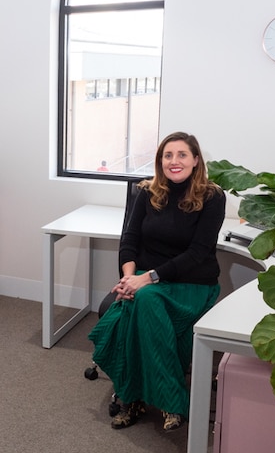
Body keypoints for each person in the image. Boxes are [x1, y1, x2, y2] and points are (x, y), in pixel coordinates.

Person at [88, 132, 225, 432]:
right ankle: (165, 400)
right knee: (142, 302)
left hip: (192, 285)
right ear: (160, 161)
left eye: (181, 155)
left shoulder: (212, 197)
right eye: (167, 155)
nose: (174, 161)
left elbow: (198, 253)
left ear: (196, 160)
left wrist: (145, 280)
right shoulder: (147, 192)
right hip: (146, 281)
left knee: (140, 303)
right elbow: (130, 239)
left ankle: (132, 396)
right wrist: (128, 277)